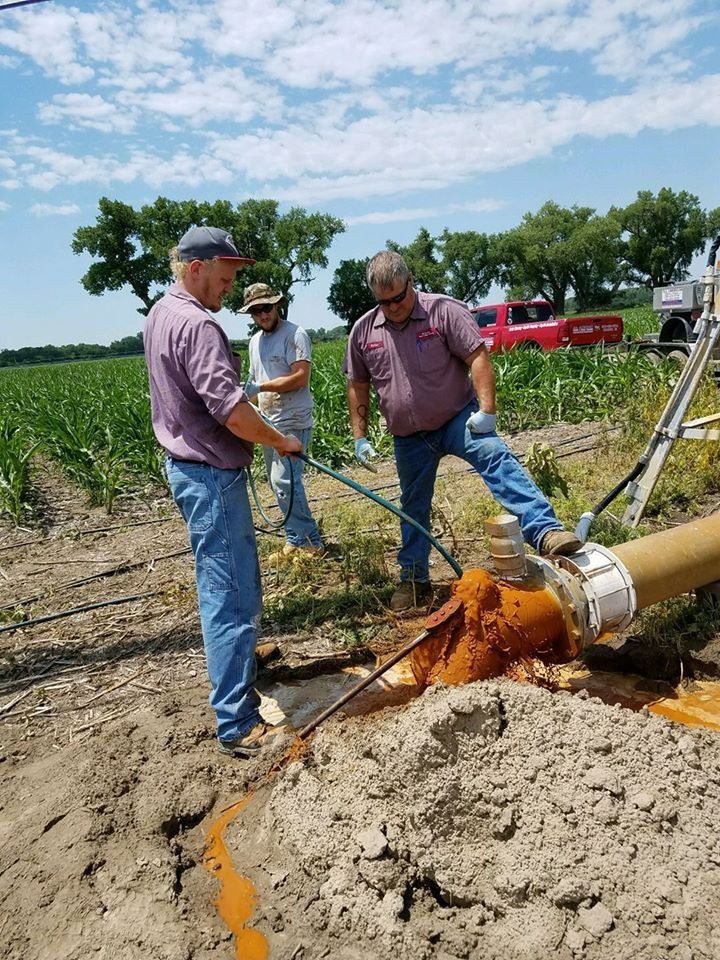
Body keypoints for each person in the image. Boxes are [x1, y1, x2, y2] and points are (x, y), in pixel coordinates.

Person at [344, 250, 581, 612]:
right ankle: (412, 579)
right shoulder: (364, 331)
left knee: (495, 458)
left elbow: (477, 356)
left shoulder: (443, 311)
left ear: (411, 282)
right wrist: (359, 436)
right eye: (383, 301)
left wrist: (487, 411)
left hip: (457, 419)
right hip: (408, 436)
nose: (392, 307)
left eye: (398, 298)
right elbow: (357, 384)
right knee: (413, 505)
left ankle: (546, 531)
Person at [144, 225, 303, 757]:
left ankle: (245, 659)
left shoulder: (160, 314)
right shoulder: (198, 326)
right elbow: (234, 414)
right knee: (228, 593)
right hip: (210, 474)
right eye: (227, 276)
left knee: (233, 577)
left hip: (190, 469)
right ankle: (237, 721)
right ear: (197, 268)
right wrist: (281, 440)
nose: (231, 288)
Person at [240, 283, 324, 558]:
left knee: (285, 481)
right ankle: (295, 539)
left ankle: (310, 540)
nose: (262, 315)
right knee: (280, 483)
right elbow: (255, 383)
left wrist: (261, 389)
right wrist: (241, 404)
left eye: (266, 308)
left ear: (276, 306)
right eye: (256, 311)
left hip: (293, 418)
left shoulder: (295, 335)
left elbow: (301, 377)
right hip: (268, 419)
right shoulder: (255, 342)